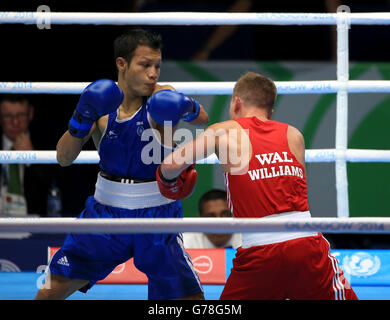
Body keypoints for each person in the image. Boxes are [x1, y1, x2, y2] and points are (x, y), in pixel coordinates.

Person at [34, 28, 209, 300]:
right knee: (48, 292)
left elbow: (203, 120)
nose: (153, 73)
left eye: (157, 66)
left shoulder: (163, 97)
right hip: (105, 214)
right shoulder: (100, 105)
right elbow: (63, 158)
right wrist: (81, 119)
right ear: (122, 64)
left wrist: (187, 106)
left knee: (191, 302)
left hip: (156, 216)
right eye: (145, 65)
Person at [156, 71, 358, 300]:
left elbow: (170, 165)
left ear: (236, 102)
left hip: (259, 252)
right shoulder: (294, 135)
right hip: (307, 245)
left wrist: (167, 181)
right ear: (270, 111)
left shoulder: (224, 131)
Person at [0, 95, 62, 217]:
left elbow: (58, 185)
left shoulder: (47, 144)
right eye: (8, 116)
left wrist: (33, 158)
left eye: (21, 115)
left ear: (30, 114)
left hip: (34, 223)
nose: (15, 122)